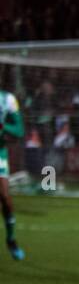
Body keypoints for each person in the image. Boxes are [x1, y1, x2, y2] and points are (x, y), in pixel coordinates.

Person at [1, 86, 25, 261]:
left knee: (4, 196)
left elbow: (19, 130)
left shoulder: (7, 99)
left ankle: (11, 239)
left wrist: (3, 126)